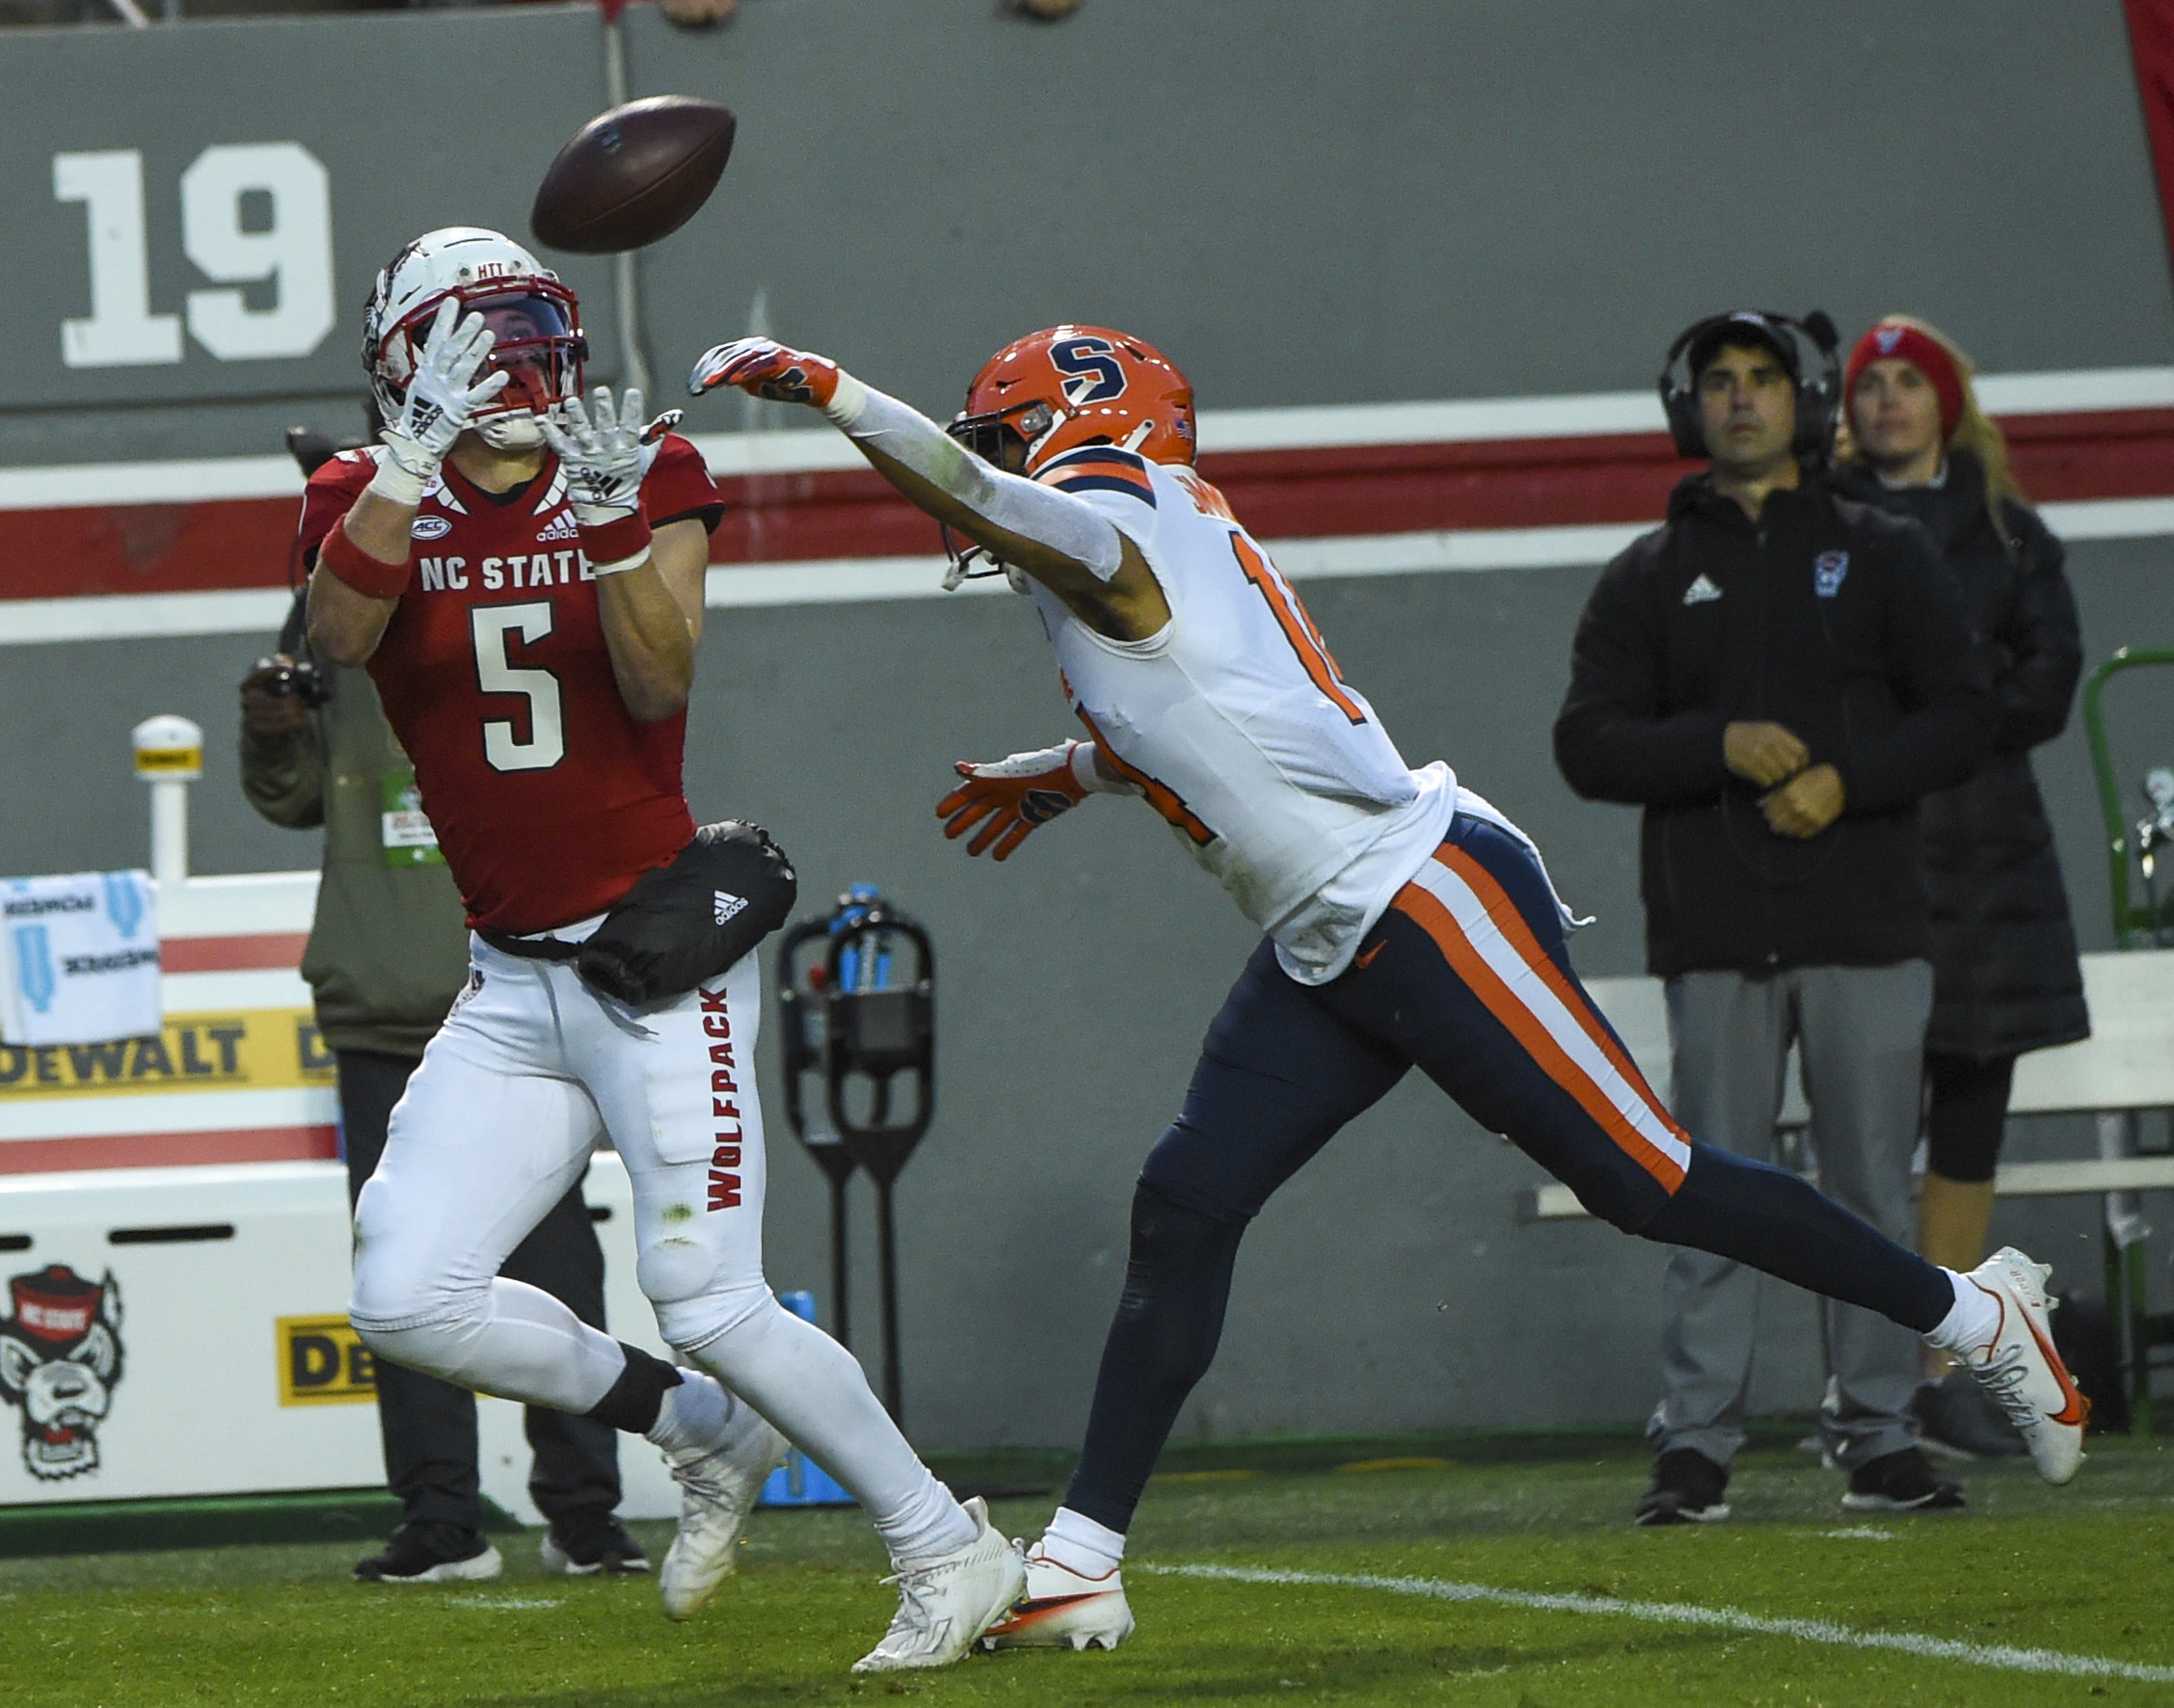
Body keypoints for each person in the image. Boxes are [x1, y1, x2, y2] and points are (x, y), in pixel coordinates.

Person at [688, 324, 2087, 1649]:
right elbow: (1211, 712)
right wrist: (1066, 773)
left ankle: (1975, 1316)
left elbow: (990, 502)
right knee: (1184, 1200)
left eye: (1010, 434)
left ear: (1085, 426)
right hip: (1327, 931)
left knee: (1646, 1180)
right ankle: (1076, 1563)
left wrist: (832, 396)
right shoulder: (1138, 542)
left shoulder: (1123, 512)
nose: (988, 462)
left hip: (1421, 897)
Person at [305, 227, 1022, 1671]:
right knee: (402, 1296)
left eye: (525, 332)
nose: (513, 367)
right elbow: (333, 637)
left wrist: (616, 517)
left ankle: (949, 1544)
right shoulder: (354, 494)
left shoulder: (639, 472)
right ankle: (696, 1428)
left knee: (708, 1295)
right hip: (508, 981)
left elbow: (656, 676)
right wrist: (402, 468)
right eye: (475, 339)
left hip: (652, 963)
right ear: (407, 363)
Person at [1554, 309, 2003, 1523]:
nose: (1739, 399)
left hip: (1865, 926)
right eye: (1717, 382)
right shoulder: (1647, 574)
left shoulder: (1884, 550)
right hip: (1710, 935)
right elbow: (1583, 742)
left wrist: (1843, 779)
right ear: (1685, 406)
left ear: (1797, 402)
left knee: (1866, 1187)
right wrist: (1716, 741)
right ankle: (1694, 1444)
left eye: (1760, 380)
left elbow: (1966, 710)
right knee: (1704, 1192)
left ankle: (1876, 1432)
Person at [240, 487, 646, 1584]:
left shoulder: (500, 640)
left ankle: (582, 1507)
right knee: (404, 1281)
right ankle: (440, 1514)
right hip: (384, 1009)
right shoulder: (335, 654)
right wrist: (270, 727)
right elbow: (290, 798)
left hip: (518, 1003)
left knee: (556, 1264)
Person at [1830, 315, 2089, 1459]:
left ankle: (1939, 1365)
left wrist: (1933, 702)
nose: (1885, 400)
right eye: (1868, 385)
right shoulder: (1819, 528)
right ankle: (1867, 1380)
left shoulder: (2009, 533)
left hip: (1992, 861)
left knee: (1969, 1110)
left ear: (1946, 402)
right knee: (1864, 1123)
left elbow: (2046, 687)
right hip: (1867, 849)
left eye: (1906, 383)